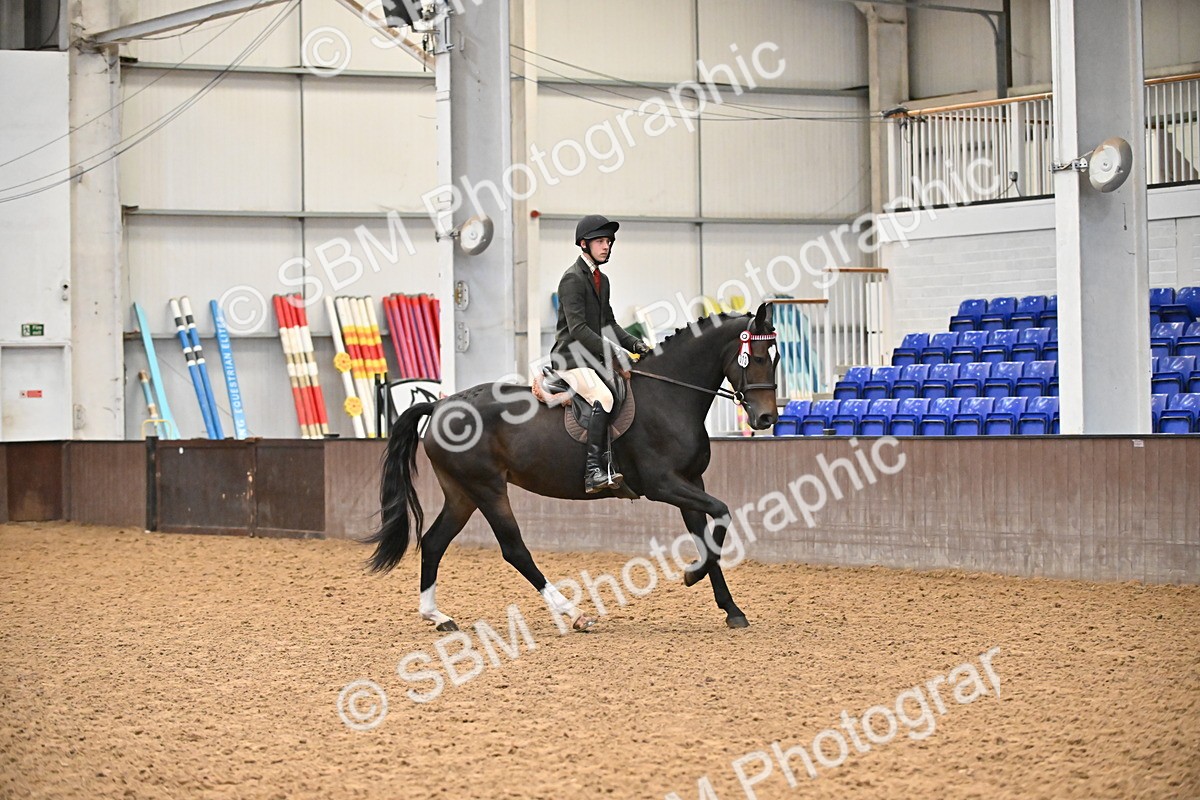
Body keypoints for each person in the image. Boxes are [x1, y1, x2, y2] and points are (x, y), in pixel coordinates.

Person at [551, 214, 651, 494]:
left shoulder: (601, 280)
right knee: (603, 396)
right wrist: (615, 353)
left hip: (592, 358)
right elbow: (579, 329)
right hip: (570, 358)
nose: (606, 246)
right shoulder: (572, 279)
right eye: (600, 241)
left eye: (608, 241)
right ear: (583, 244)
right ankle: (593, 470)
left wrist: (636, 345)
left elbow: (609, 323)